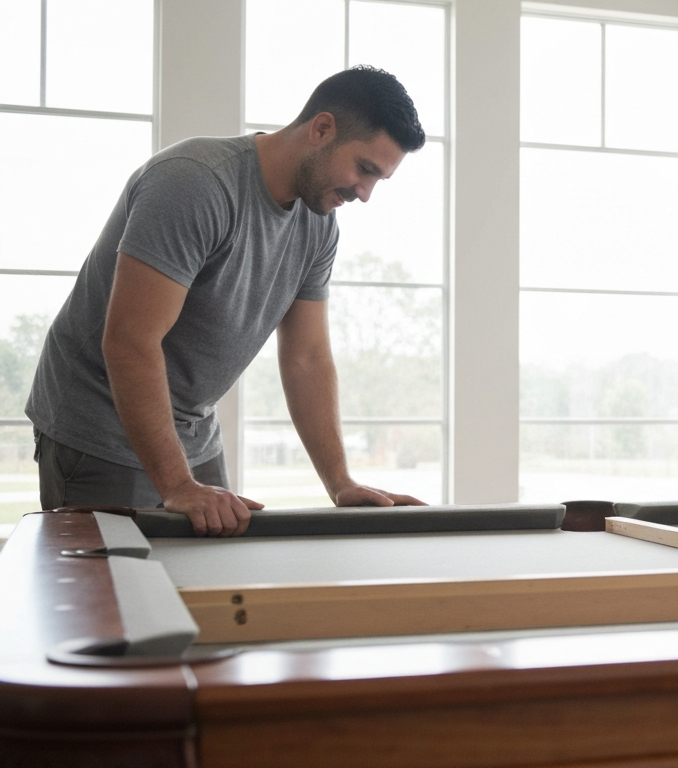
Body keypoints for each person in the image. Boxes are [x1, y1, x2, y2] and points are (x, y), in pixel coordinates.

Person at [27, 66, 429, 536]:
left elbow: (306, 357)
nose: (365, 194)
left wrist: (340, 482)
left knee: (209, 596)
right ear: (322, 129)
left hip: (194, 434)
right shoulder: (195, 183)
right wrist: (178, 483)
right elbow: (130, 341)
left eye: (379, 179)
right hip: (98, 430)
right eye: (365, 170)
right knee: (119, 604)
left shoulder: (318, 223)